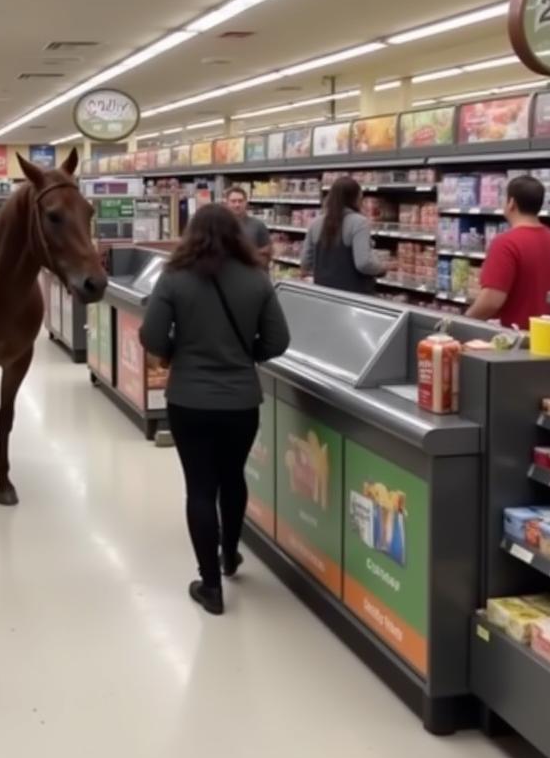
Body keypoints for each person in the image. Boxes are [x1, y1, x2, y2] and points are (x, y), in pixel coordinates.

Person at [139, 204, 290, 616]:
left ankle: (210, 585)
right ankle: (229, 557)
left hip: (189, 400)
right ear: (237, 234)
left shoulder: (174, 277)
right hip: (242, 401)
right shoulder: (257, 279)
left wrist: (176, 355)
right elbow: (278, 341)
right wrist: (246, 355)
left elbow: (151, 335)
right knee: (232, 478)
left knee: (200, 488)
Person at [466, 175, 550, 329]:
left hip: (512, 341)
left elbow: (492, 300)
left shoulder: (505, 243)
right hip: (547, 339)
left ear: (511, 203)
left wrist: (463, 322)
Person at [300, 176, 385, 294]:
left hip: (323, 292)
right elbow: (364, 263)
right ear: (355, 198)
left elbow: (305, 262)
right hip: (354, 295)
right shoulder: (359, 222)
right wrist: (382, 268)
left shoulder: (316, 223)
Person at [224, 184, 271, 268]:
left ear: (246, 203)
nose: (237, 205)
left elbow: (266, 254)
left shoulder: (258, 225)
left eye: (240, 201)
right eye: (233, 201)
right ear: (227, 203)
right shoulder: (220, 226)